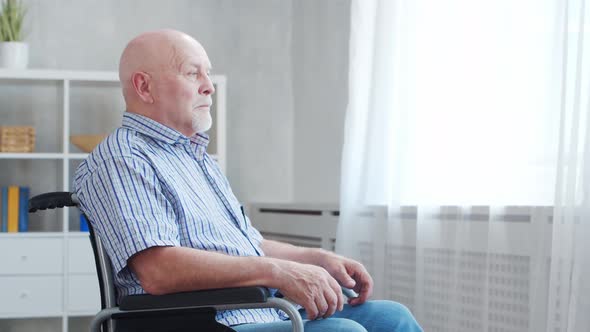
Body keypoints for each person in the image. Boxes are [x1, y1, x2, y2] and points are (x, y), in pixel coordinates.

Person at [74, 29, 423, 332]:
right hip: (198, 320)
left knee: (392, 318)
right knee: (341, 330)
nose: (209, 87)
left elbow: (245, 244)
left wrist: (315, 258)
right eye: (192, 74)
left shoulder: (194, 158)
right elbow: (158, 270)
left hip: (251, 310)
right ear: (144, 86)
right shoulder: (124, 158)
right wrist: (278, 272)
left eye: (207, 75)